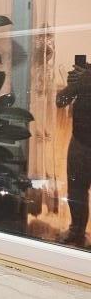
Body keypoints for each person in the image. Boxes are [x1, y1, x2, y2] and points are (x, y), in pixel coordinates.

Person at [56, 61, 91, 247]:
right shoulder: (84, 74)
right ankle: (76, 231)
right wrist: (74, 85)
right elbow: (60, 101)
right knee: (76, 190)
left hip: (81, 141)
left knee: (77, 190)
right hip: (80, 141)